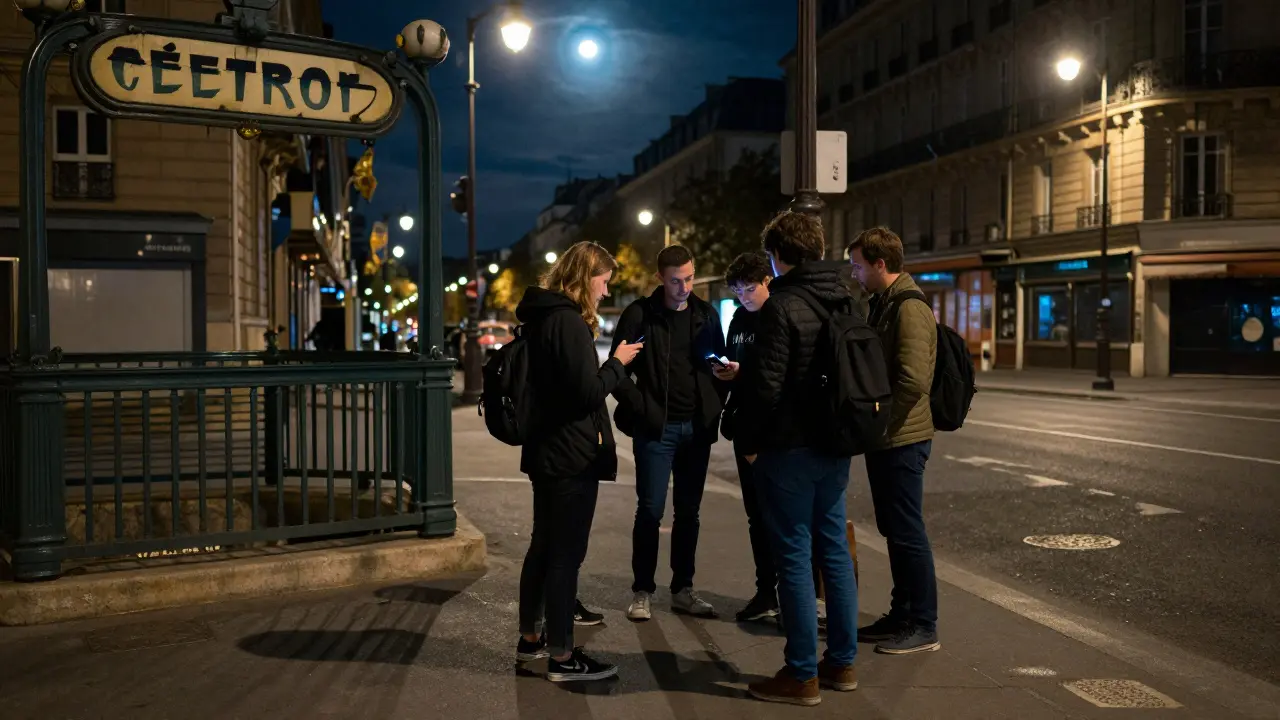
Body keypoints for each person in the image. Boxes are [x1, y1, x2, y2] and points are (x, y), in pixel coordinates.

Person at [738, 211, 859, 706]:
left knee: (792, 555)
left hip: (789, 447)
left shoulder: (782, 305)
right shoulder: (849, 298)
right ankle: (843, 663)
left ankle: (801, 673)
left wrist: (748, 440)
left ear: (779, 255)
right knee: (833, 552)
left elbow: (765, 388)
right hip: (836, 443)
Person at [513, 241, 643, 682]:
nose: (605, 292)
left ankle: (531, 642)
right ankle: (563, 657)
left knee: (542, 547)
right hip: (569, 453)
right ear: (584, 277)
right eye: (603, 282)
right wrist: (618, 363)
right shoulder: (568, 323)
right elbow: (585, 393)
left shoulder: (542, 317)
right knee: (565, 555)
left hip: (545, 450)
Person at [610, 244, 728, 621]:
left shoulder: (706, 315)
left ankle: (683, 588)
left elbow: (718, 368)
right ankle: (642, 590)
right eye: (676, 281)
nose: (684, 287)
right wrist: (642, 407)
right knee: (650, 510)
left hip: (696, 428)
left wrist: (714, 402)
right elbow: (617, 372)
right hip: (655, 430)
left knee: (689, 512)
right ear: (660, 278)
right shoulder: (640, 315)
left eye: (690, 278)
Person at [847, 227, 940, 655]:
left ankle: (923, 624)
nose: (854, 272)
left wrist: (882, 424)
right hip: (889, 438)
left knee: (907, 531)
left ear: (880, 264)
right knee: (895, 530)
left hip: (902, 438)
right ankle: (901, 614)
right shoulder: (884, 302)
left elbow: (913, 381)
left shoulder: (908, 308)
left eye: (859, 265)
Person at [716, 252, 780, 623]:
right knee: (756, 516)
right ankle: (765, 592)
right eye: (738, 290)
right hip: (745, 427)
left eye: (750, 288)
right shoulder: (739, 318)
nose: (744, 296)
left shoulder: (779, 314)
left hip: (773, 431)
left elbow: (780, 370)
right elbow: (733, 357)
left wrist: (746, 370)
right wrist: (727, 370)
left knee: (781, 516)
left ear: (767, 281)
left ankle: (793, 594)